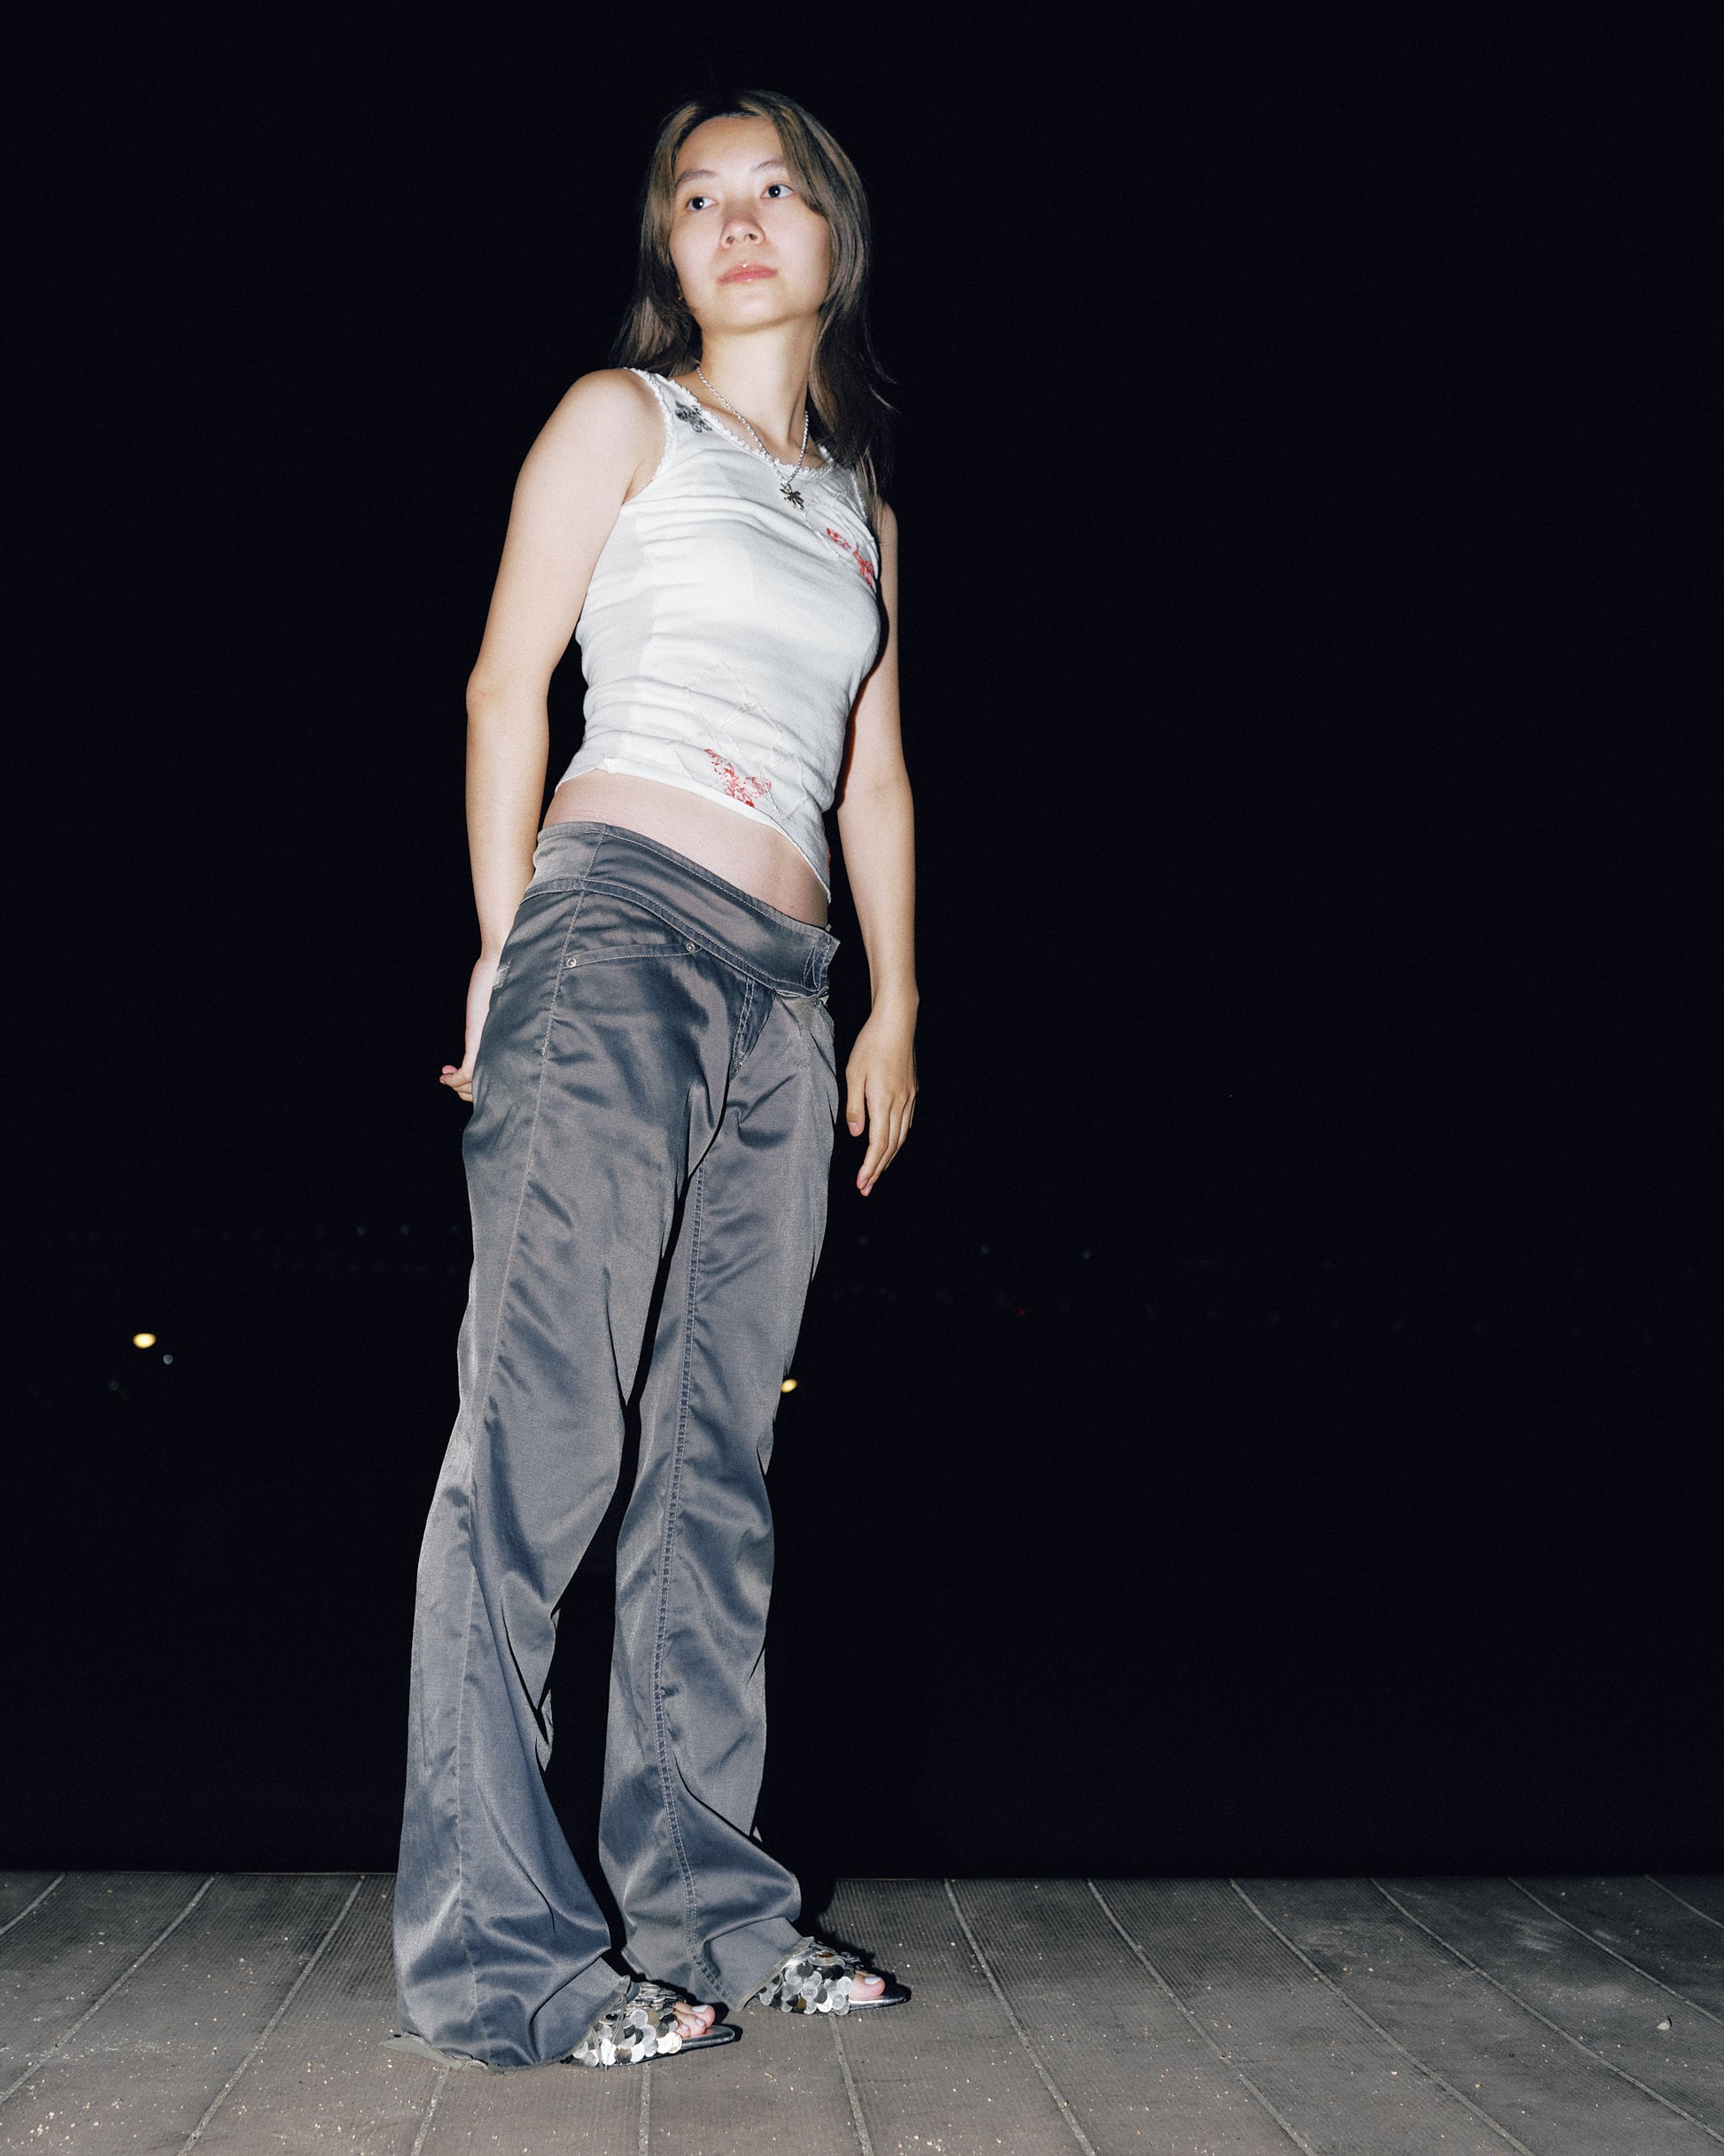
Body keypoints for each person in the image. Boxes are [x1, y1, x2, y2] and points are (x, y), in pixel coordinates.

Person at [387, 90, 918, 2074]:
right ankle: (501, 1960)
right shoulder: (624, 418)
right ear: (669, 249)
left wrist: (894, 1004)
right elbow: (501, 685)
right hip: (614, 934)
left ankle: (708, 1904)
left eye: (774, 188)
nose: (737, 218)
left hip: (788, 993)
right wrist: (504, 940)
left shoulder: (862, 507)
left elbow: (871, 773)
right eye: (700, 196)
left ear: (834, 234)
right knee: (536, 1438)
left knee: (715, 1464)